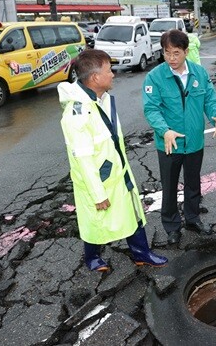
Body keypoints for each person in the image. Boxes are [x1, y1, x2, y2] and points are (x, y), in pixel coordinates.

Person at [58, 49, 168, 272]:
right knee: (96, 219)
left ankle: (141, 253)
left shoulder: (101, 99)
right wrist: (98, 193)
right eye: (109, 70)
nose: (113, 74)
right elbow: (83, 158)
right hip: (99, 179)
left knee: (132, 211)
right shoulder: (77, 113)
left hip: (118, 171)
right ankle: (92, 257)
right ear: (95, 77)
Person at [143, 29, 216, 245]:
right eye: (167, 53)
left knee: (193, 183)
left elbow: (210, 99)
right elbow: (152, 109)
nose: (171, 58)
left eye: (176, 53)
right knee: (169, 187)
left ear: (186, 51)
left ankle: (192, 218)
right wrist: (164, 130)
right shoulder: (155, 76)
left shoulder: (199, 73)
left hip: (194, 142)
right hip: (169, 143)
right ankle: (171, 226)